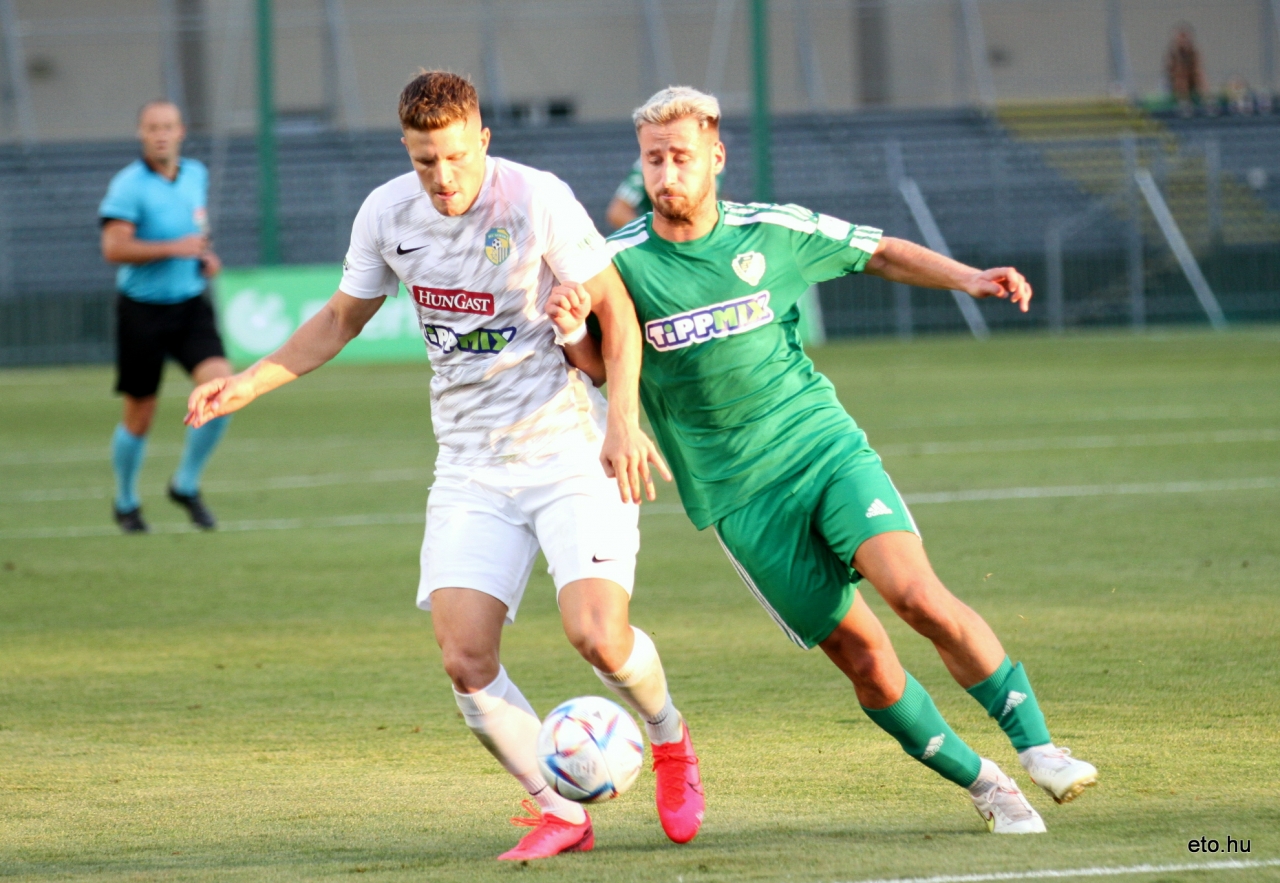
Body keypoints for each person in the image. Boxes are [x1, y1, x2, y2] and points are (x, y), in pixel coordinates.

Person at [184, 72, 704, 860]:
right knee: (464, 658)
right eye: (426, 161)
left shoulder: (535, 199)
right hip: (470, 463)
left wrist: (624, 421)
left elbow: (618, 314)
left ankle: (668, 738)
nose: (443, 176)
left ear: (482, 139)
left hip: (567, 448)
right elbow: (340, 318)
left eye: (457, 157)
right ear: (407, 150)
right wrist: (248, 384)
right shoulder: (386, 214)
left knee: (598, 635)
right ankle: (560, 811)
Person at [551, 86, 1098, 835]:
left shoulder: (773, 231)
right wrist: (569, 330)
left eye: (681, 157)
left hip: (821, 448)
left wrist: (968, 276)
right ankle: (987, 785)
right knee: (866, 661)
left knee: (917, 596)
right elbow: (601, 363)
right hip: (739, 497)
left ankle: (1039, 748)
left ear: (716, 155)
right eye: (653, 160)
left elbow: (879, 252)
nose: (666, 174)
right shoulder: (620, 261)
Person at [99, 100, 230, 533]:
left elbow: (196, 232)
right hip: (142, 311)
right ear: (141, 133)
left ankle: (185, 485)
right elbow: (113, 248)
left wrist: (204, 257)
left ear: (181, 131)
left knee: (222, 392)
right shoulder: (128, 186)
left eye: (168, 126)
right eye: (152, 127)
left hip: (189, 304)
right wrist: (174, 248)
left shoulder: (195, 174)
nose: (161, 134)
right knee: (141, 414)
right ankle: (125, 501)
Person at [1165, 24, 1206, 116]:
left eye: (1185, 39)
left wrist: (1202, 90)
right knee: (1180, 76)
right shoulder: (1173, 55)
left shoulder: (1194, 54)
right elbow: (1173, 73)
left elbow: (1198, 72)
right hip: (1174, 87)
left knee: (1199, 75)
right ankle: (1183, 100)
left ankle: (1205, 101)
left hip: (1193, 86)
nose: (1182, 42)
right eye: (1180, 39)